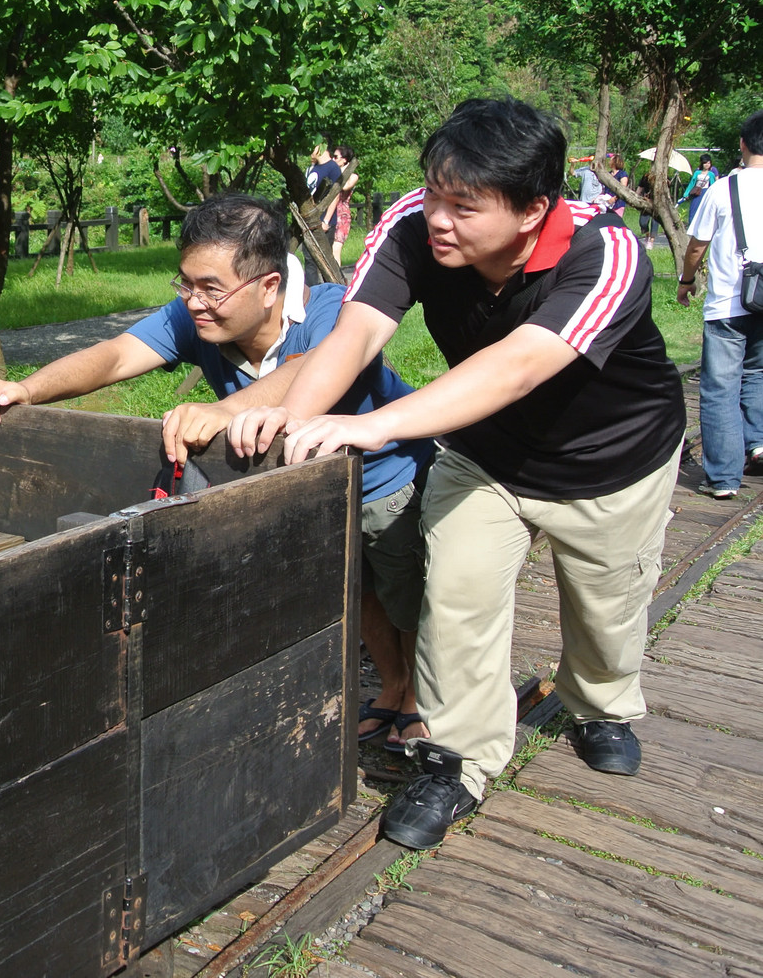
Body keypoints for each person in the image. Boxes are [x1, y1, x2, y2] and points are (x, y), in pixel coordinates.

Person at [228, 97, 685, 850]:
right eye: (436, 194)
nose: (439, 217)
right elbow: (357, 333)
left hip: (611, 465)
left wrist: (373, 424)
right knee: (455, 597)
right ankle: (455, 760)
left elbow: (518, 366)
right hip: (486, 458)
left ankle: (601, 705)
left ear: (534, 209)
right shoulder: (413, 223)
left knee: (607, 614)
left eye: (465, 207)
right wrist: (293, 423)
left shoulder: (605, 252)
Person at [0, 193, 435, 752]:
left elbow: (308, 369)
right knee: (357, 589)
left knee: (406, 592)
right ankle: (392, 687)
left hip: (385, 477)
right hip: (306, 489)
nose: (193, 302)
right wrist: (27, 389)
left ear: (269, 286)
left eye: (211, 289)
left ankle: (417, 698)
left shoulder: (334, 311)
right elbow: (117, 354)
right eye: (185, 284)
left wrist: (226, 410)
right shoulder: (197, 316)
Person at [679, 110, 763, 498]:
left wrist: (687, 281)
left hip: (729, 305)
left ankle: (724, 478)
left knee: (719, 389)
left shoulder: (723, 189)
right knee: (758, 374)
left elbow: (697, 247)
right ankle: (758, 444)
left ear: (743, 144)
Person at [322, 144, 360, 267]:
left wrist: (341, 172)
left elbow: (344, 186)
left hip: (341, 215)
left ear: (344, 160)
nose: (333, 159)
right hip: (329, 212)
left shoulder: (353, 176)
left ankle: (336, 276)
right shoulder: (331, 174)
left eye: (336, 157)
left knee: (335, 249)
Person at [682, 154, 718, 224]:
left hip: (706, 192)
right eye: (705, 163)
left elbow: (713, 185)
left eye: (708, 163)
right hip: (697, 192)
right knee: (693, 209)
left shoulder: (711, 174)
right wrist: (686, 193)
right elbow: (692, 183)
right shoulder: (697, 173)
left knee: (705, 211)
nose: (707, 165)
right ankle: (691, 224)